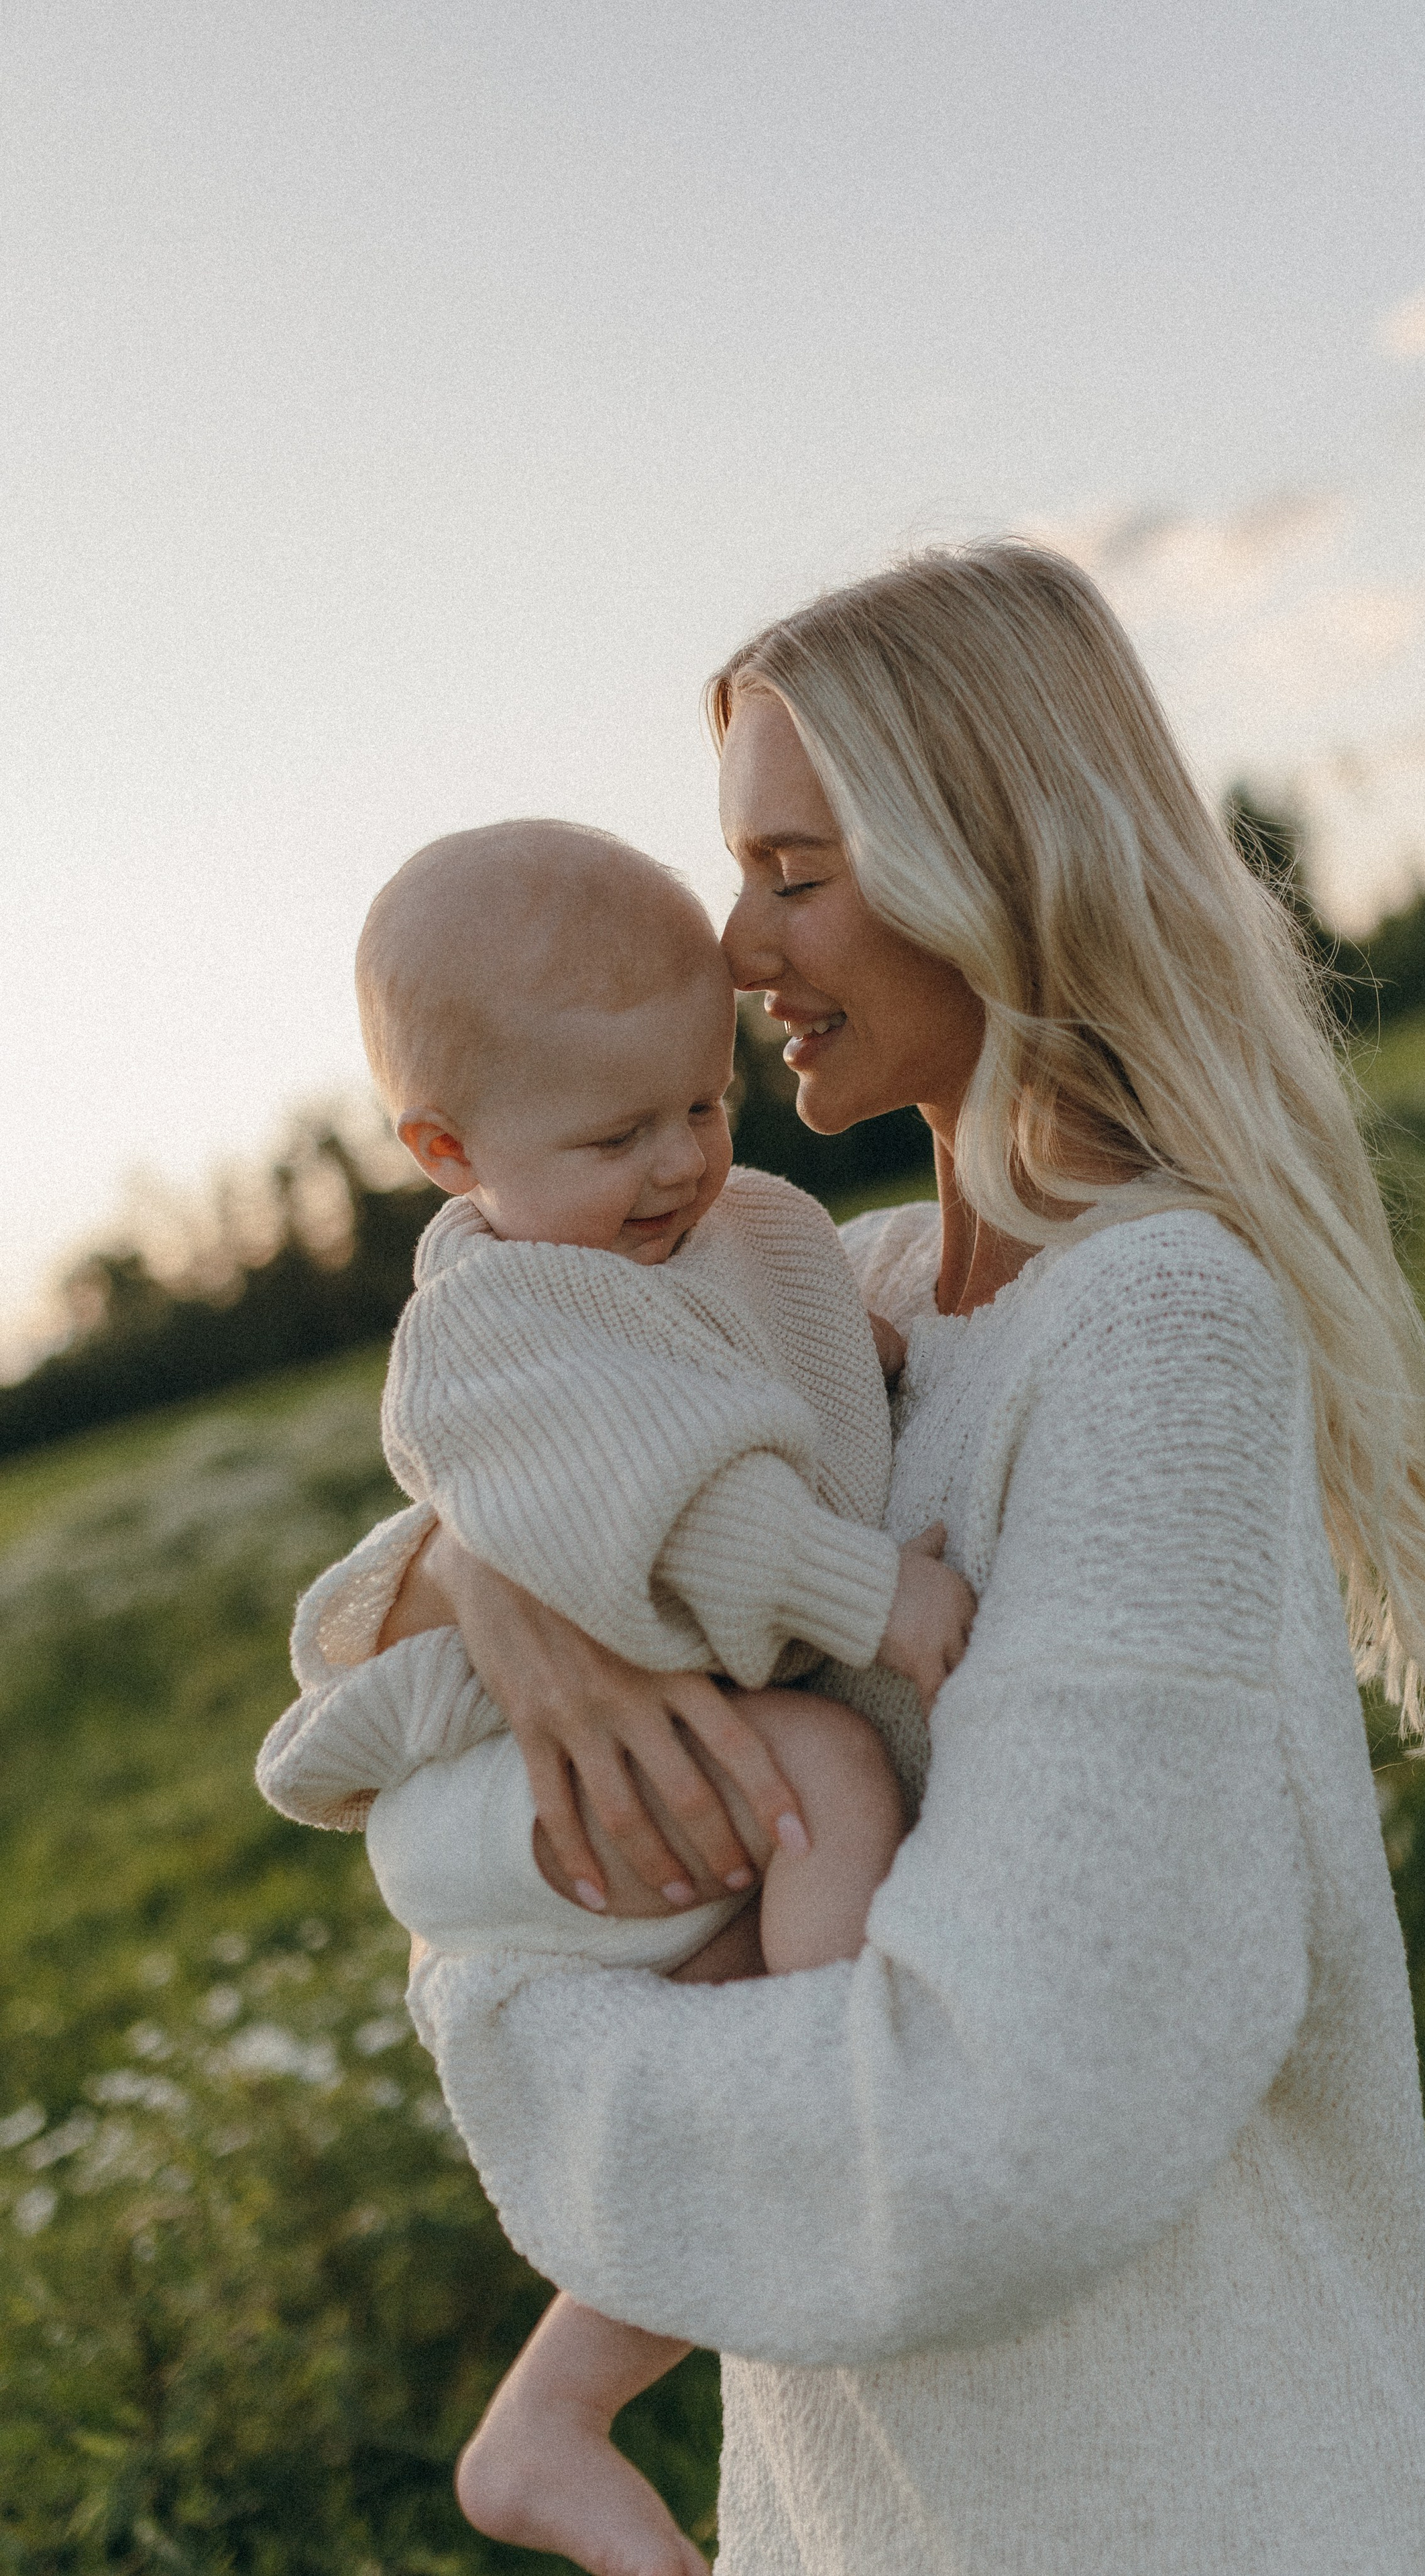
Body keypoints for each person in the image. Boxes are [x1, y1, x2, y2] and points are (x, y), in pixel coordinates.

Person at [305, 541, 1425, 2575]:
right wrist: (490, 1582)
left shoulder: (1148, 1326)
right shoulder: (857, 1301)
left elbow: (1008, 2125)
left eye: (794, 869)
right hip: (872, 2517)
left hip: (1177, 2506)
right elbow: (402, 1572)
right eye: (737, 867)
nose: (733, 934)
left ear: (999, 866)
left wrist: (511, 2037)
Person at [256, 818, 975, 2576]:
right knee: (814, 1771)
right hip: (482, 1787)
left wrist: (865, 1367)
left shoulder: (724, 1225)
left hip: (621, 1724)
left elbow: (803, 1352)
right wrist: (877, 1590)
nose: (677, 1163)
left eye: (701, 1102)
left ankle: (549, 2420)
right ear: (448, 1151)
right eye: (613, 1134)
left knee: (742, 1936)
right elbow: (696, 1502)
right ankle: (846, 2127)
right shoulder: (498, 1314)